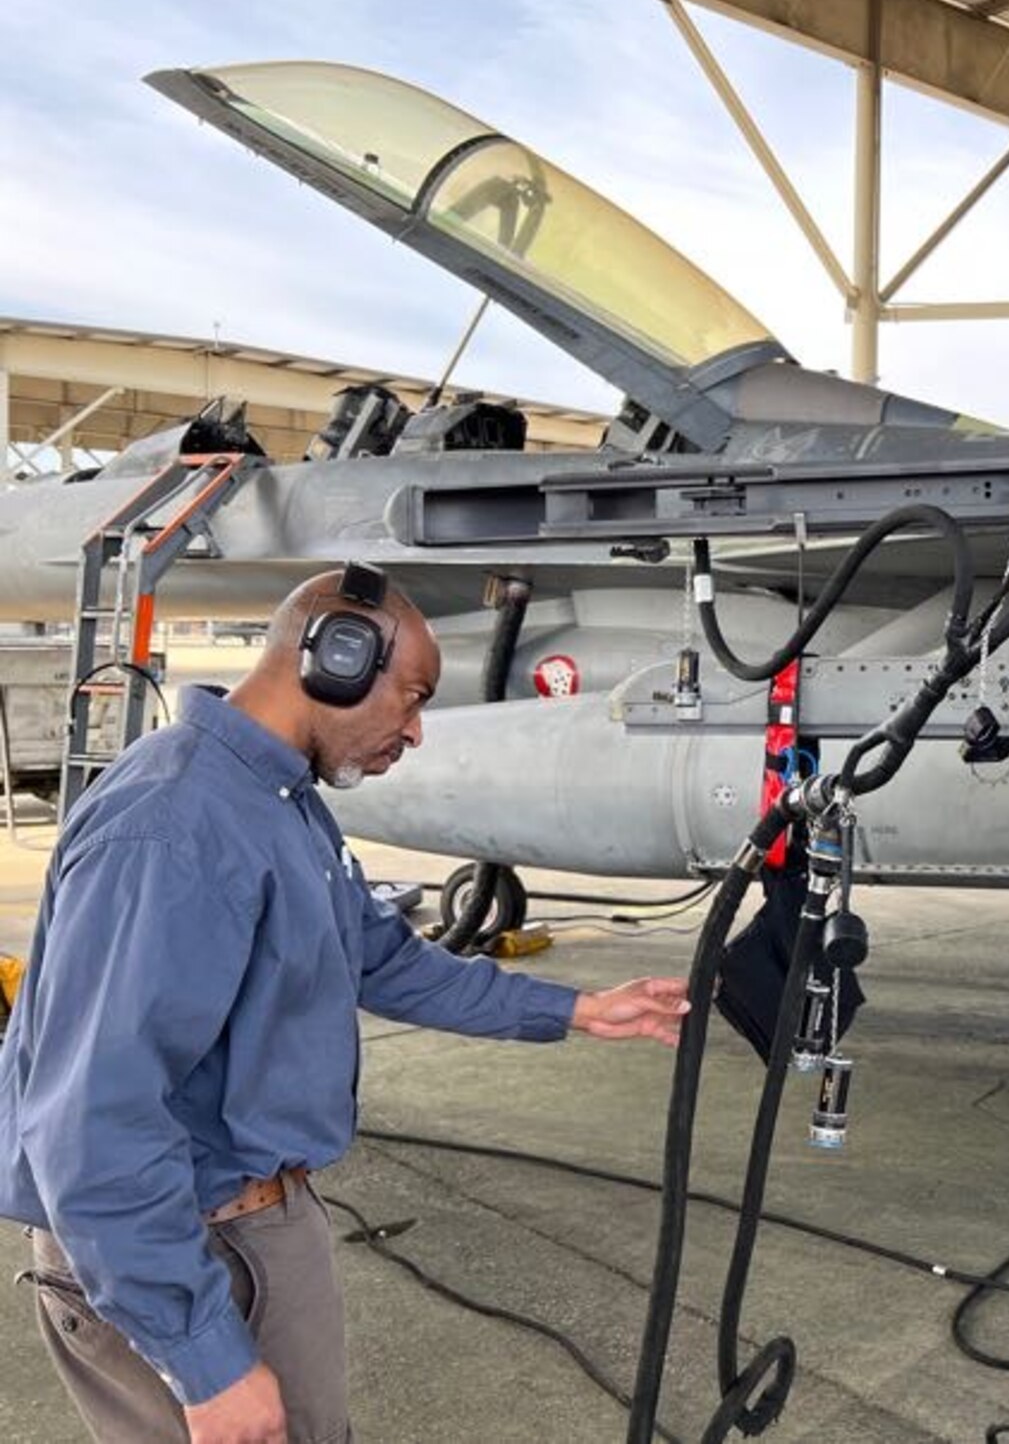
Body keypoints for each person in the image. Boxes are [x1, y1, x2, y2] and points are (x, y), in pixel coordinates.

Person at [0, 565, 695, 1444]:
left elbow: (383, 959)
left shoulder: (275, 801)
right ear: (335, 658)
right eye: (409, 699)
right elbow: (94, 1124)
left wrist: (578, 1009)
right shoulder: (174, 824)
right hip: (182, 1245)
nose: (413, 732)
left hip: (253, 1225)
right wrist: (206, 1360)